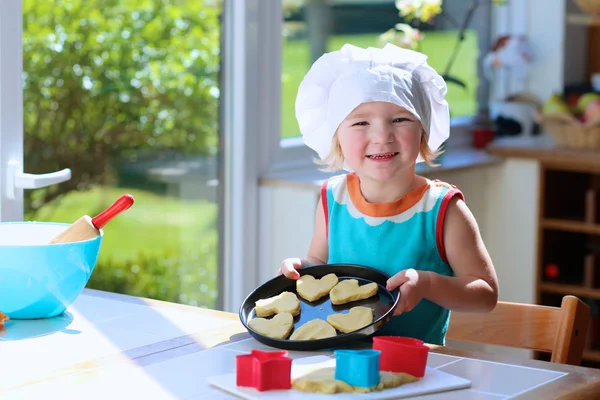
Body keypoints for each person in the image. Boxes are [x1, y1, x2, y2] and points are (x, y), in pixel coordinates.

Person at [278, 43, 499, 345]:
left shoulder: (443, 210)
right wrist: (303, 270)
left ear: (423, 130)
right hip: (338, 362)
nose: (382, 136)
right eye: (360, 122)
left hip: (418, 374)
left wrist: (429, 285)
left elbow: (485, 295)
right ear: (337, 139)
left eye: (399, 119)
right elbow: (320, 265)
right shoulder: (333, 197)